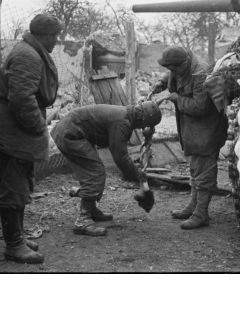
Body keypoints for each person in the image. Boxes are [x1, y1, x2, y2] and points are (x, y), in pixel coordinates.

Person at [0, 13, 63, 264]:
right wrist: (39, 127)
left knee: (20, 185)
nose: (56, 41)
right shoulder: (28, 55)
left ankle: (16, 236)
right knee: (14, 188)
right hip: (12, 132)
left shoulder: (29, 51)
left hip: (15, 132)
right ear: (46, 35)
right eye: (55, 36)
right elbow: (22, 98)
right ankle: (14, 244)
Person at [51, 101, 162, 236]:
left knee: (95, 171)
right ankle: (82, 220)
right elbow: (120, 157)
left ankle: (91, 209)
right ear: (142, 119)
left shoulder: (126, 115)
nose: (143, 128)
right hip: (70, 134)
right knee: (95, 173)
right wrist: (138, 176)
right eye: (145, 125)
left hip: (70, 131)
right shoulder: (122, 123)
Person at [151, 46, 227, 229]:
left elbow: (201, 107)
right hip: (192, 129)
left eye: (174, 68)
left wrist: (177, 99)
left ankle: (201, 214)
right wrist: (163, 81)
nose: (172, 72)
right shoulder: (183, 65)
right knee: (194, 167)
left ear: (184, 64)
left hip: (206, 129)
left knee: (204, 170)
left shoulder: (200, 74)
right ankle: (193, 206)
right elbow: (175, 74)